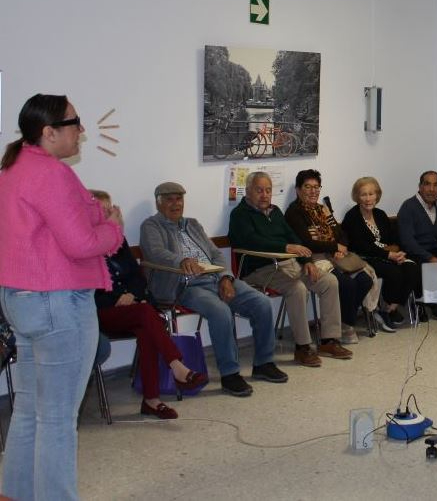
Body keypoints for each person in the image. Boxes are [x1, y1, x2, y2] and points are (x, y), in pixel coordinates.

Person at [0, 94, 123, 500]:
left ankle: (16, 493)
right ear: (49, 132)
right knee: (56, 420)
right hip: (58, 302)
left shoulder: (12, 168)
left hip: (21, 299)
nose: (82, 130)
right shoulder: (51, 173)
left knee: (29, 410)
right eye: (75, 122)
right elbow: (81, 243)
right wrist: (114, 229)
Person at [141, 181, 287, 397]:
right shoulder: (151, 226)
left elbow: (215, 253)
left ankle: (264, 363)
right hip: (186, 284)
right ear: (158, 203)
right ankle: (230, 375)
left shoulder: (192, 224)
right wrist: (182, 261)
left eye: (179, 198)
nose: (176, 203)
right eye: (169, 199)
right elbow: (155, 253)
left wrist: (226, 278)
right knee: (220, 311)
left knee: (262, 303)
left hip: (216, 277)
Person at [91, 190, 207, 419]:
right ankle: (177, 367)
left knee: (146, 325)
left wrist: (132, 295)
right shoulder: (83, 242)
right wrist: (117, 298)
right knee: (147, 313)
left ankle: (151, 401)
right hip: (99, 311)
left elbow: (136, 275)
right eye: (101, 210)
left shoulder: (117, 239)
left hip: (131, 308)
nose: (108, 214)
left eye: (110, 209)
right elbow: (85, 289)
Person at [229, 171, 354, 366]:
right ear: (248, 191)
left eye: (268, 190)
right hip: (260, 268)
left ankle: (329, 340)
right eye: (259, 190)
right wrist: (285, 247)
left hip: (289, 263)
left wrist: (308, 262)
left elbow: (293, 238)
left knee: (329, 281)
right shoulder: (239, 215)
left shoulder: (275, 211)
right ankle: (303, 348)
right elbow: (251, 241)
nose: (264, 195)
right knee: (297, 288)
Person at [284, 170, 380, 331]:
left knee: (365, 279)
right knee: (347, 284)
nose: (313, 191)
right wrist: (334, 247)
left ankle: (342, 321)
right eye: (308, 187)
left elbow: (341, 233)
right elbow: (307, 243)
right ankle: (345, 327)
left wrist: (340, 248)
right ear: (298, 190)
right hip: (314, 259)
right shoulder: (293, 212)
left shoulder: (323, 209)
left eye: (316, 187)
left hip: (335, 256)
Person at [342, 177, 419, 328]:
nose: (368, 198)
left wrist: (398, 252)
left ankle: (392, 306)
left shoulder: (380, 214)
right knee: (394, 271)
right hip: (364, 258)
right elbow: (361, 246)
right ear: (357, 197)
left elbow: (394, 239)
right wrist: (388, 254)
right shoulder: (353, 217)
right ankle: (384, 309)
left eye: (371, 194)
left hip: (386, 254)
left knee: (412, 268)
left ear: (377, 195)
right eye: (363, 194)